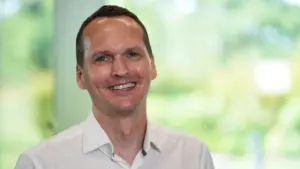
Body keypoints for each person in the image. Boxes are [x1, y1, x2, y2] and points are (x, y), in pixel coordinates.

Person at [15, 5, 215, 169]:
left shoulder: (193, 156)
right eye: (102, 58)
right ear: (80, 76)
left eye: (132, 54)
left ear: (152, 66)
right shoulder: (40, 163)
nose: (120, 70)